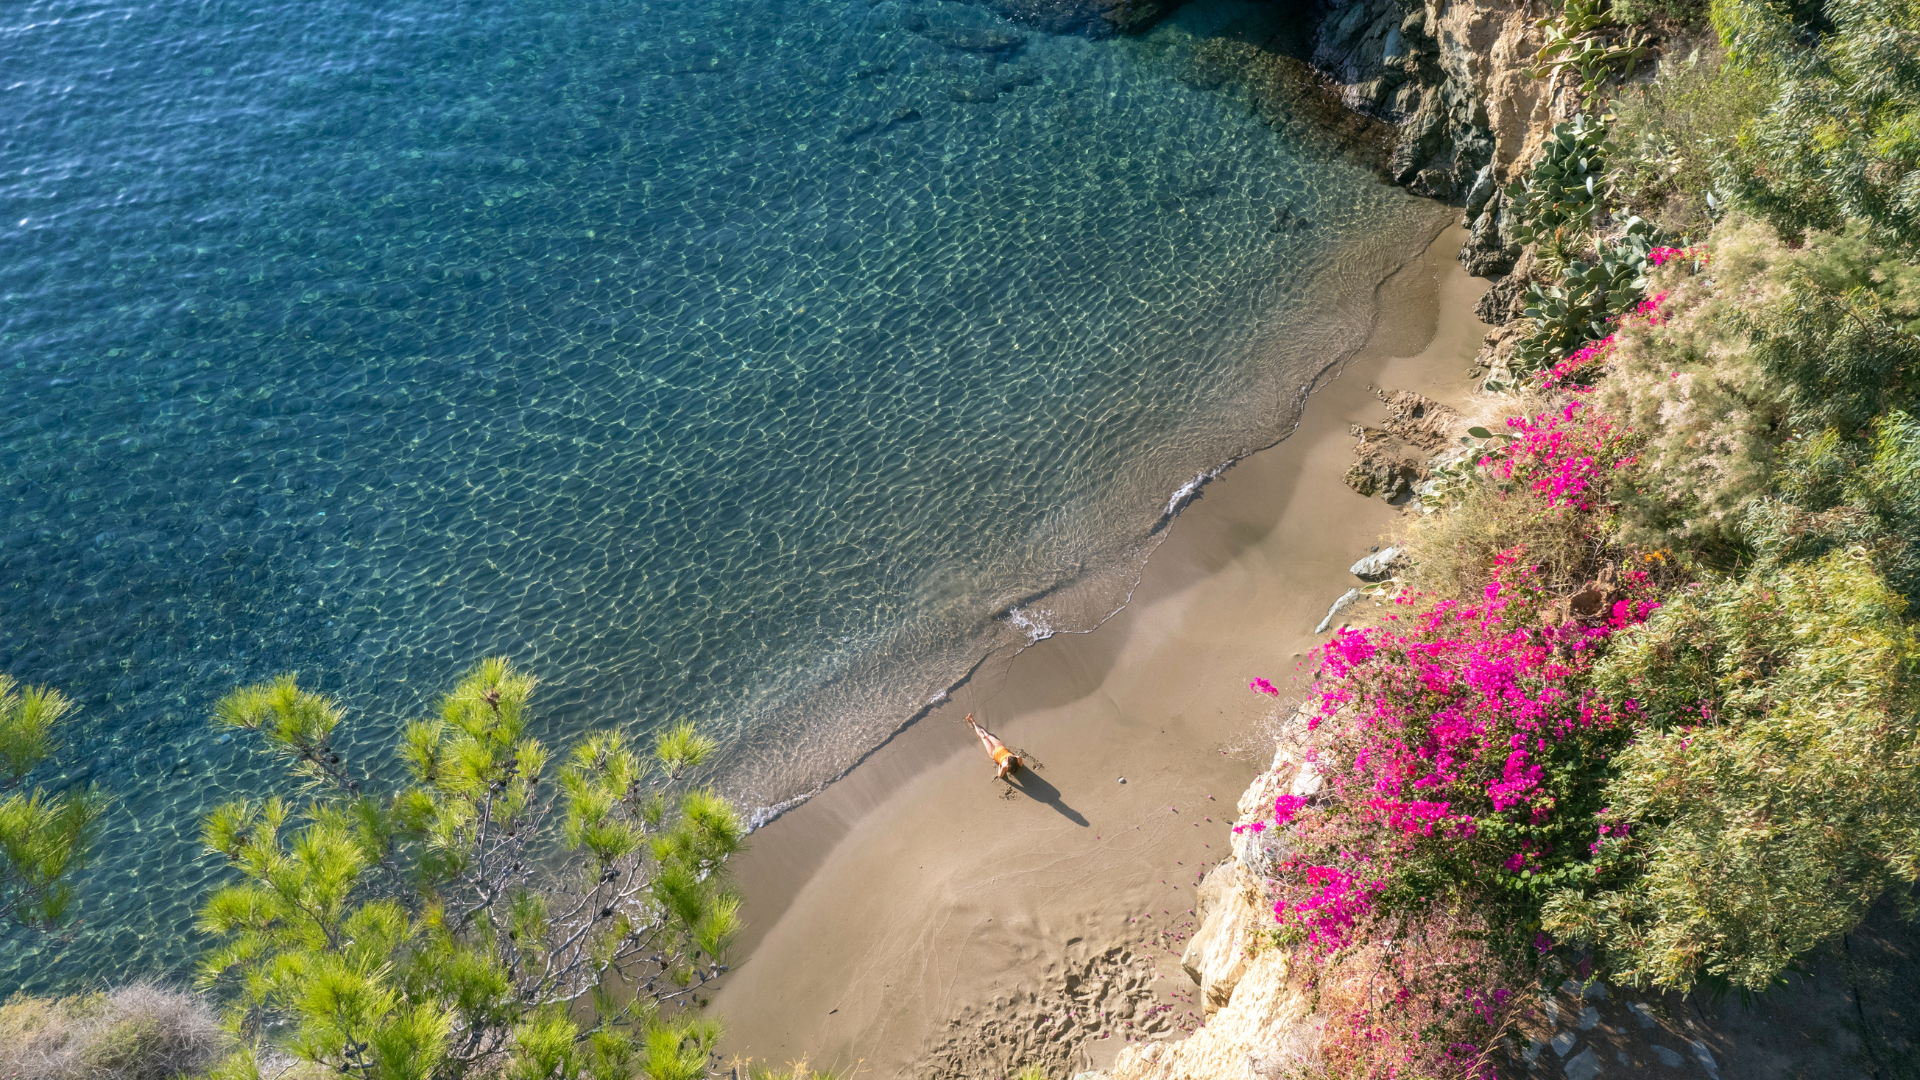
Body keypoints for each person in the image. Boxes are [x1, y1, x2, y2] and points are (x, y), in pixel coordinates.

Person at [966, 713, 1020, 779]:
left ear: (1009, 763)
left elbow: (1000, 775)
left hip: (993, 753)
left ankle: (973, 723)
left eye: (1008, 759)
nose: (1008, 757)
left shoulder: (1005, 767)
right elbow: (1021, 764)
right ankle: (981, 730)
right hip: (1000, 747)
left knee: (983, 737)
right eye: (1011, 756)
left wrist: (1000, 765)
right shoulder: (1017, 758)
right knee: (987, 735)